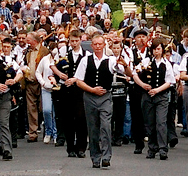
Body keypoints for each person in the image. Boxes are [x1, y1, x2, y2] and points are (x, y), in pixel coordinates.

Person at [75, 34, 131, 168]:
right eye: (95, 44)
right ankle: (95, 157)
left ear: (104, 45)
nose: (98, 46)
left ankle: (106, 156)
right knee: (93, 128)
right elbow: (78, 81)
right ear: (92, 46)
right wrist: (92, 90)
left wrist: (126, 65)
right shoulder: (85, 60)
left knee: (105, 126)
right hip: (90, 97)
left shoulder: (111, 60)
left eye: (100, 44)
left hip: (105, 97)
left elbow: (128, 74)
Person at [132, 37, 175, 160]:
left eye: (159, 49)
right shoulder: (146, 62)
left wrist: (157, 90)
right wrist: (143, 85)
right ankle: (152, 148)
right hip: (147, 96)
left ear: (162, 50)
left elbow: (170, 82)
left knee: (161, 122)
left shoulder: (166, 64)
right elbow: (134, 74)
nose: (157, 51)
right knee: (150, 123)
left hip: (161, 96)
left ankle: (162, 149)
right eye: (155, 49)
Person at [51, 30, 89, 157]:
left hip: (80, 91)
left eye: (76, 41)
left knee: (81, 119)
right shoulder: (64, 53)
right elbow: (52, 64)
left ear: (80, 41)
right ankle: (70, 147)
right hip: (66, 90)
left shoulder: (86, 54)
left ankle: (81, 147)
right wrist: (59, 74)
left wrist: (76, 79)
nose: (74, 43)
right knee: (68, 119)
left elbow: (87, 73)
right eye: (72, 41)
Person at [22, 32, 50, 142]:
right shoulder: (27, 51)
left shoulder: (44, 51)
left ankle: (48, 131)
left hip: (41, 83)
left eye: (28, 40)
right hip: (30, 82)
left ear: (35, 40)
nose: (27, 42)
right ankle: (32, 133)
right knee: (31, 108)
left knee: (43, 108)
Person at [35, 51, 58, 144]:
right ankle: (48, 132)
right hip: (46, 89)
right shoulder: (45, 59)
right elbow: (38, 72)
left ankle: (56, 133)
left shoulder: (62, 59)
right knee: (47, 110)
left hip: (57, 89)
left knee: (56, 113)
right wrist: (43, 83)